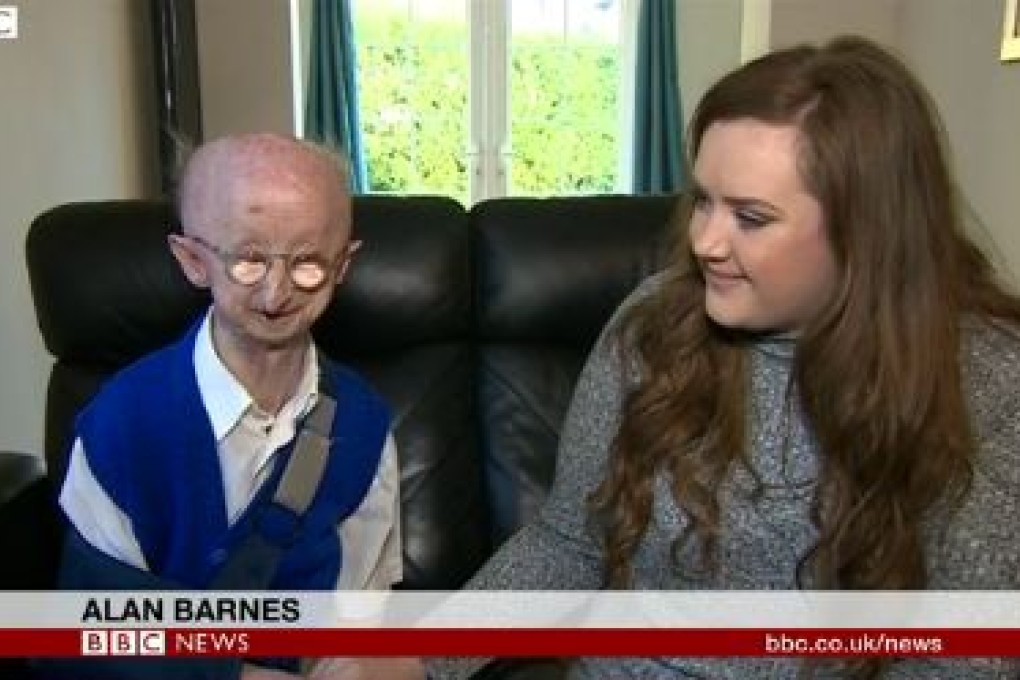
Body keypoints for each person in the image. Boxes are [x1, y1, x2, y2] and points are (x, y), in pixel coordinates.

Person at [429, 35, 1020, 679]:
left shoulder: (985, 379)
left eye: (752, 217)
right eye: (704, 200)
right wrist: (418, 658)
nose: (704, 240)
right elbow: (567, 541)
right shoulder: (651, 325)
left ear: (866, 233)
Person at [51, 133, 420, 679]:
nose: (276, 296)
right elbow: (90, 637)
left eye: (309, 265)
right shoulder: (119, 428)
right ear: (193, 260)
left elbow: (356, 621)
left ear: (344, 264)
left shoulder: (364, 428)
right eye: (248, 261)